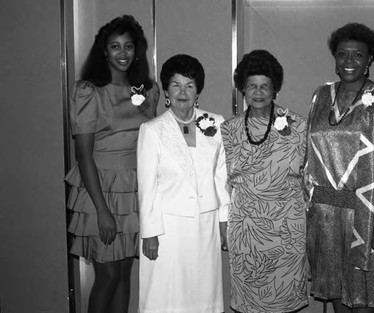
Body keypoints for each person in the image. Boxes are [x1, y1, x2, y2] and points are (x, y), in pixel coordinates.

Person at [304, 23, 374, 313]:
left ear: (369, 60)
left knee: (364, 300)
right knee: (338, 297)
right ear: (334, 58)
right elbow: (309, 156)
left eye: (357, 55)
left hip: (367, 214)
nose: (348, 61)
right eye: (342, 54)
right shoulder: (321, 96)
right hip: (326, 214)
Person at [65, 15, 159, 313]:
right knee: (107, 275)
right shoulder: (89, 91)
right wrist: (103, 210)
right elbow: (83, 156)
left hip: (133, 191)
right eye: (115, 46)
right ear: (103, 51)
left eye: (128, 46)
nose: (122, 53)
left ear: (137, 51)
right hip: (99, 189)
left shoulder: (147, 92)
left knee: (124, 273)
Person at [137, 54, 230, 313]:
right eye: (176, 85)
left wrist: (225, 220)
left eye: (189, 85)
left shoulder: (215, 122)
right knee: (167, 296)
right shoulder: (152, 130)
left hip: (205, 225)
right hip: (168, 229)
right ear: (166, 89)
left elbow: (221, 175)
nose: (182, 92)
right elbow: (147, 186)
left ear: (198, 90)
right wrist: (150, 232)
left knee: (203, 292)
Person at [220, 50, 309, 313]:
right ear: (243, 90)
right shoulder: (228, 131)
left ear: (275, 89)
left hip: (287, 229)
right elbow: (220, 181)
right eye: (252, 86)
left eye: (265, 86)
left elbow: (310, 177)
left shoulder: (299, 126)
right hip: (246, 231)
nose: (258, 92)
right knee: (250, 304)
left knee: (283, 301)